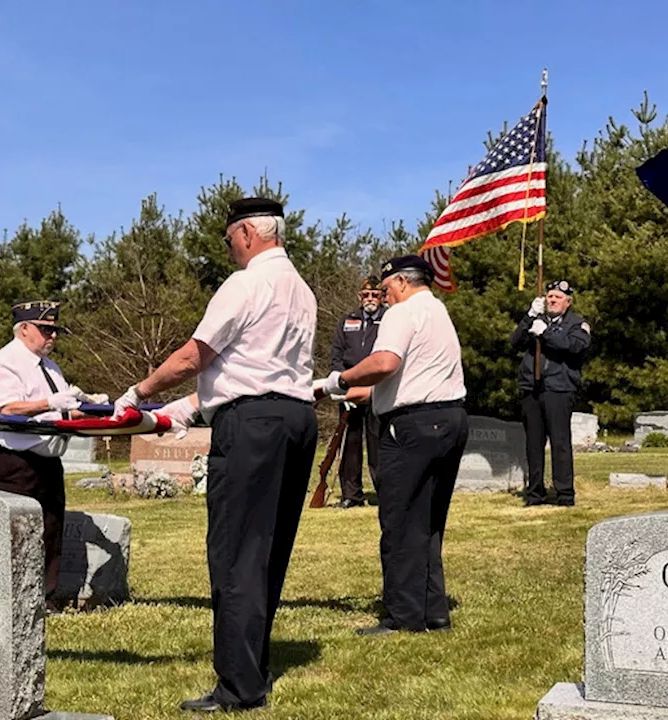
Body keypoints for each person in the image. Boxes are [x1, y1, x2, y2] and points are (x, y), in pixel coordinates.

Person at [112, 197, 317, 713]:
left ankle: (239, 687)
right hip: (295, 419)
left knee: (235, 553)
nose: (228, 250)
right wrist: (177, 414)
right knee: (267, 552)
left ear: (247, 233)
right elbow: (250, 371)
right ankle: (254, 667)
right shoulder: (302, 290)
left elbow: (194, 355)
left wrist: (139, 393)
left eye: (228, 240)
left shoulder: (246, 283)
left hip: (252, 427)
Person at [317, 254, 467, 635]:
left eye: (385, 289)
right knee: (429, 521)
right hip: (449, 419)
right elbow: (406, 377)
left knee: (400, 521)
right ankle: (433, 611)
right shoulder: (437, 312)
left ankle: (403, 615)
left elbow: (384, 363)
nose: (383, 297)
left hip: (411, 426)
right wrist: (348, 392)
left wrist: (339, 379)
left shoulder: (401, 314)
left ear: (401, 282)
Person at [0, 300, 107, 609]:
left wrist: (92, 409)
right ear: (24, 329)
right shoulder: (4, 362)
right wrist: (50, 403)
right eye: (46, 329)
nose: (53, 337)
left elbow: (62, 412)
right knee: (15, 531)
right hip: (14, 462)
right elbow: (6, 408)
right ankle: (7, 601)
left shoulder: (50, 367)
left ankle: (43, 600)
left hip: (48, 460)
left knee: (50, 530)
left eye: (55, 330)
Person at [508, 280, 591, 507]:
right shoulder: (537, 320)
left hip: (559, 388)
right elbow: (514, 342)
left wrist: (546, 334)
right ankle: (535, 493)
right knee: (533, 444)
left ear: (568, 302)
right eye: (550, 296)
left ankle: (564, 494)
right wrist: (529, 317)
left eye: (558, 297)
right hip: (531, 388)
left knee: (560, 441)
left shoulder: (577, 324)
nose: (552, 300)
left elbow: (575, 347)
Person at [328, 276, 384, 508]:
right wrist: (342, 382)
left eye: (375, 294)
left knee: (378, 443)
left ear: (381, 297)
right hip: (349, 389)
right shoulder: (347, 320)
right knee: (349, 443)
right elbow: (337, 354)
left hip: (377, 388)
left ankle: (384, 492)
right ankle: (351, 495)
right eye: (366, 295)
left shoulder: (389, 320)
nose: (370, 299)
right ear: (360, 297)